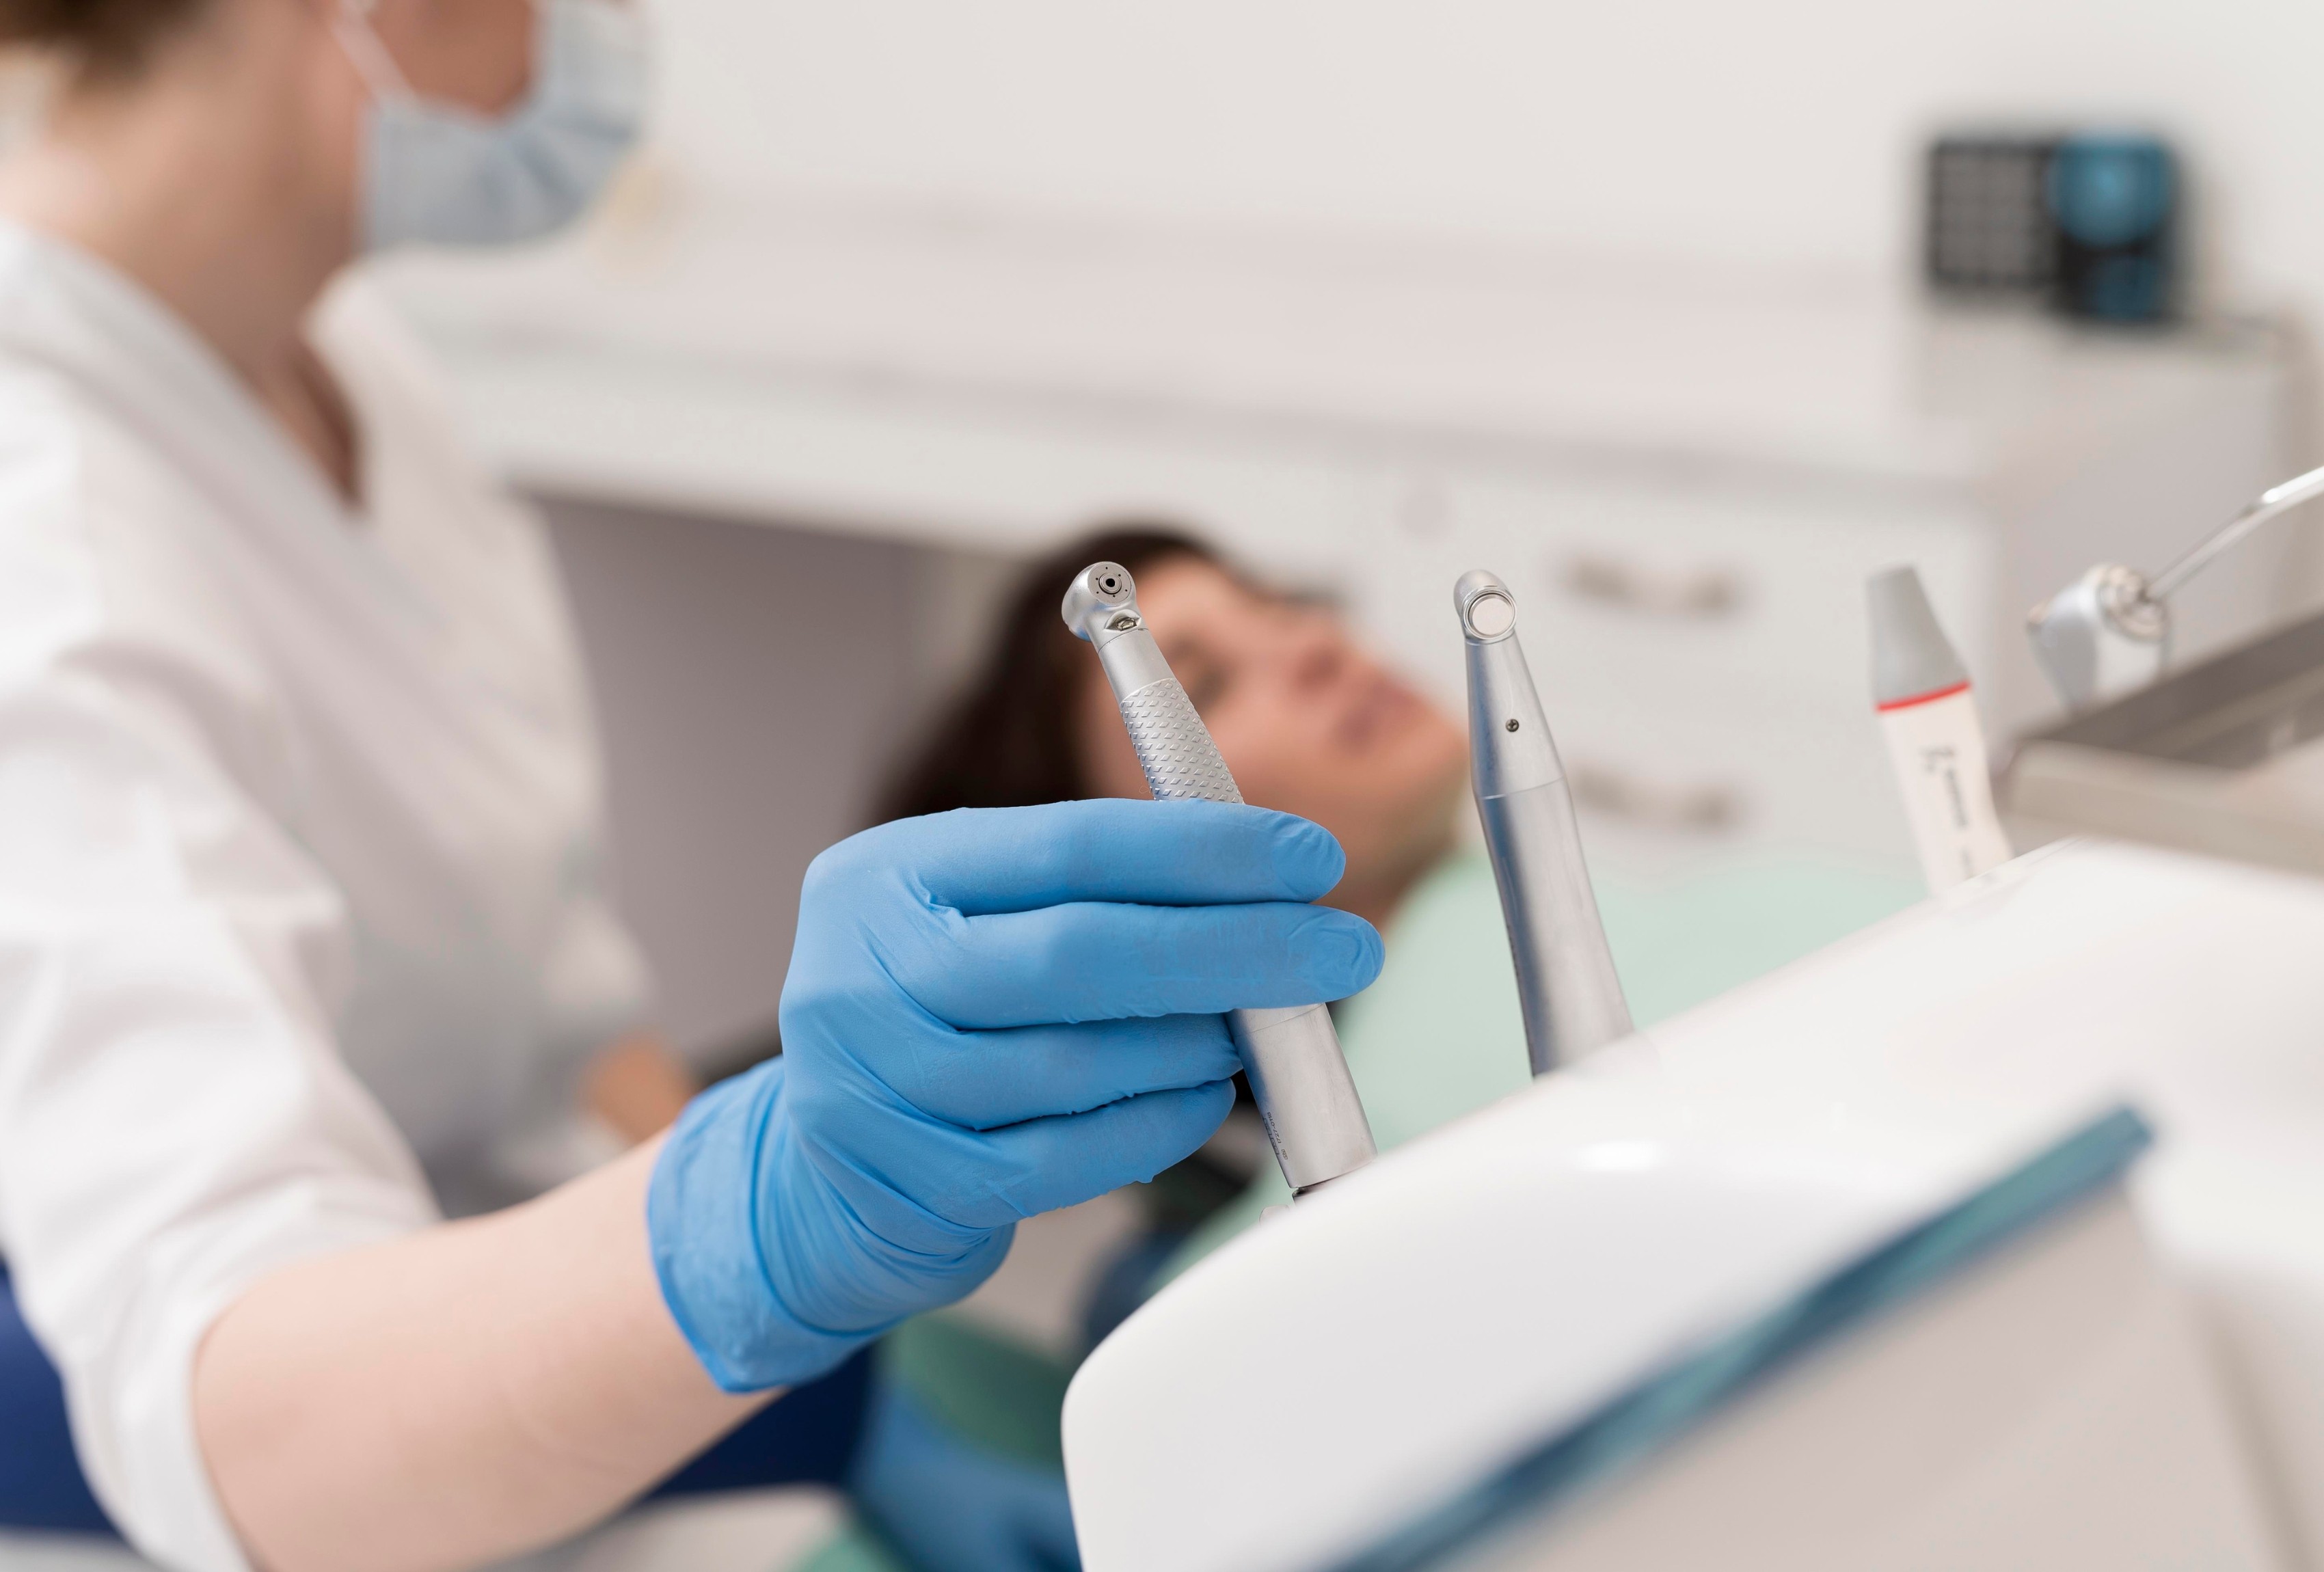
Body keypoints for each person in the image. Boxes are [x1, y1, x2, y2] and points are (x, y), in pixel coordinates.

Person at [0, 7, 1383, 1572]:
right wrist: (761, 1212)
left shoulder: (348, 365)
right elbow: (226, 1418)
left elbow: (554, 1011)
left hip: (484, 1295)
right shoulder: (43, 537)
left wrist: (845, 1369)